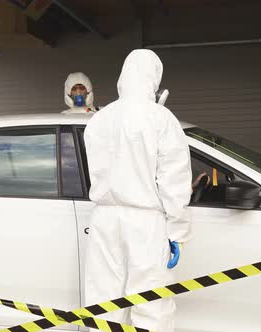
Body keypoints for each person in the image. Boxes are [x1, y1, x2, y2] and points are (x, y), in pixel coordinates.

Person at [83, 49, 192, 332]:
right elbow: (174, 181)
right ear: (153, 77)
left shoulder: (98, 120)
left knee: (102, 304)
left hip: (104, 220)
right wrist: (177, 232)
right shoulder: (161, 119)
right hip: (145, 223)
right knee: (150, 305)